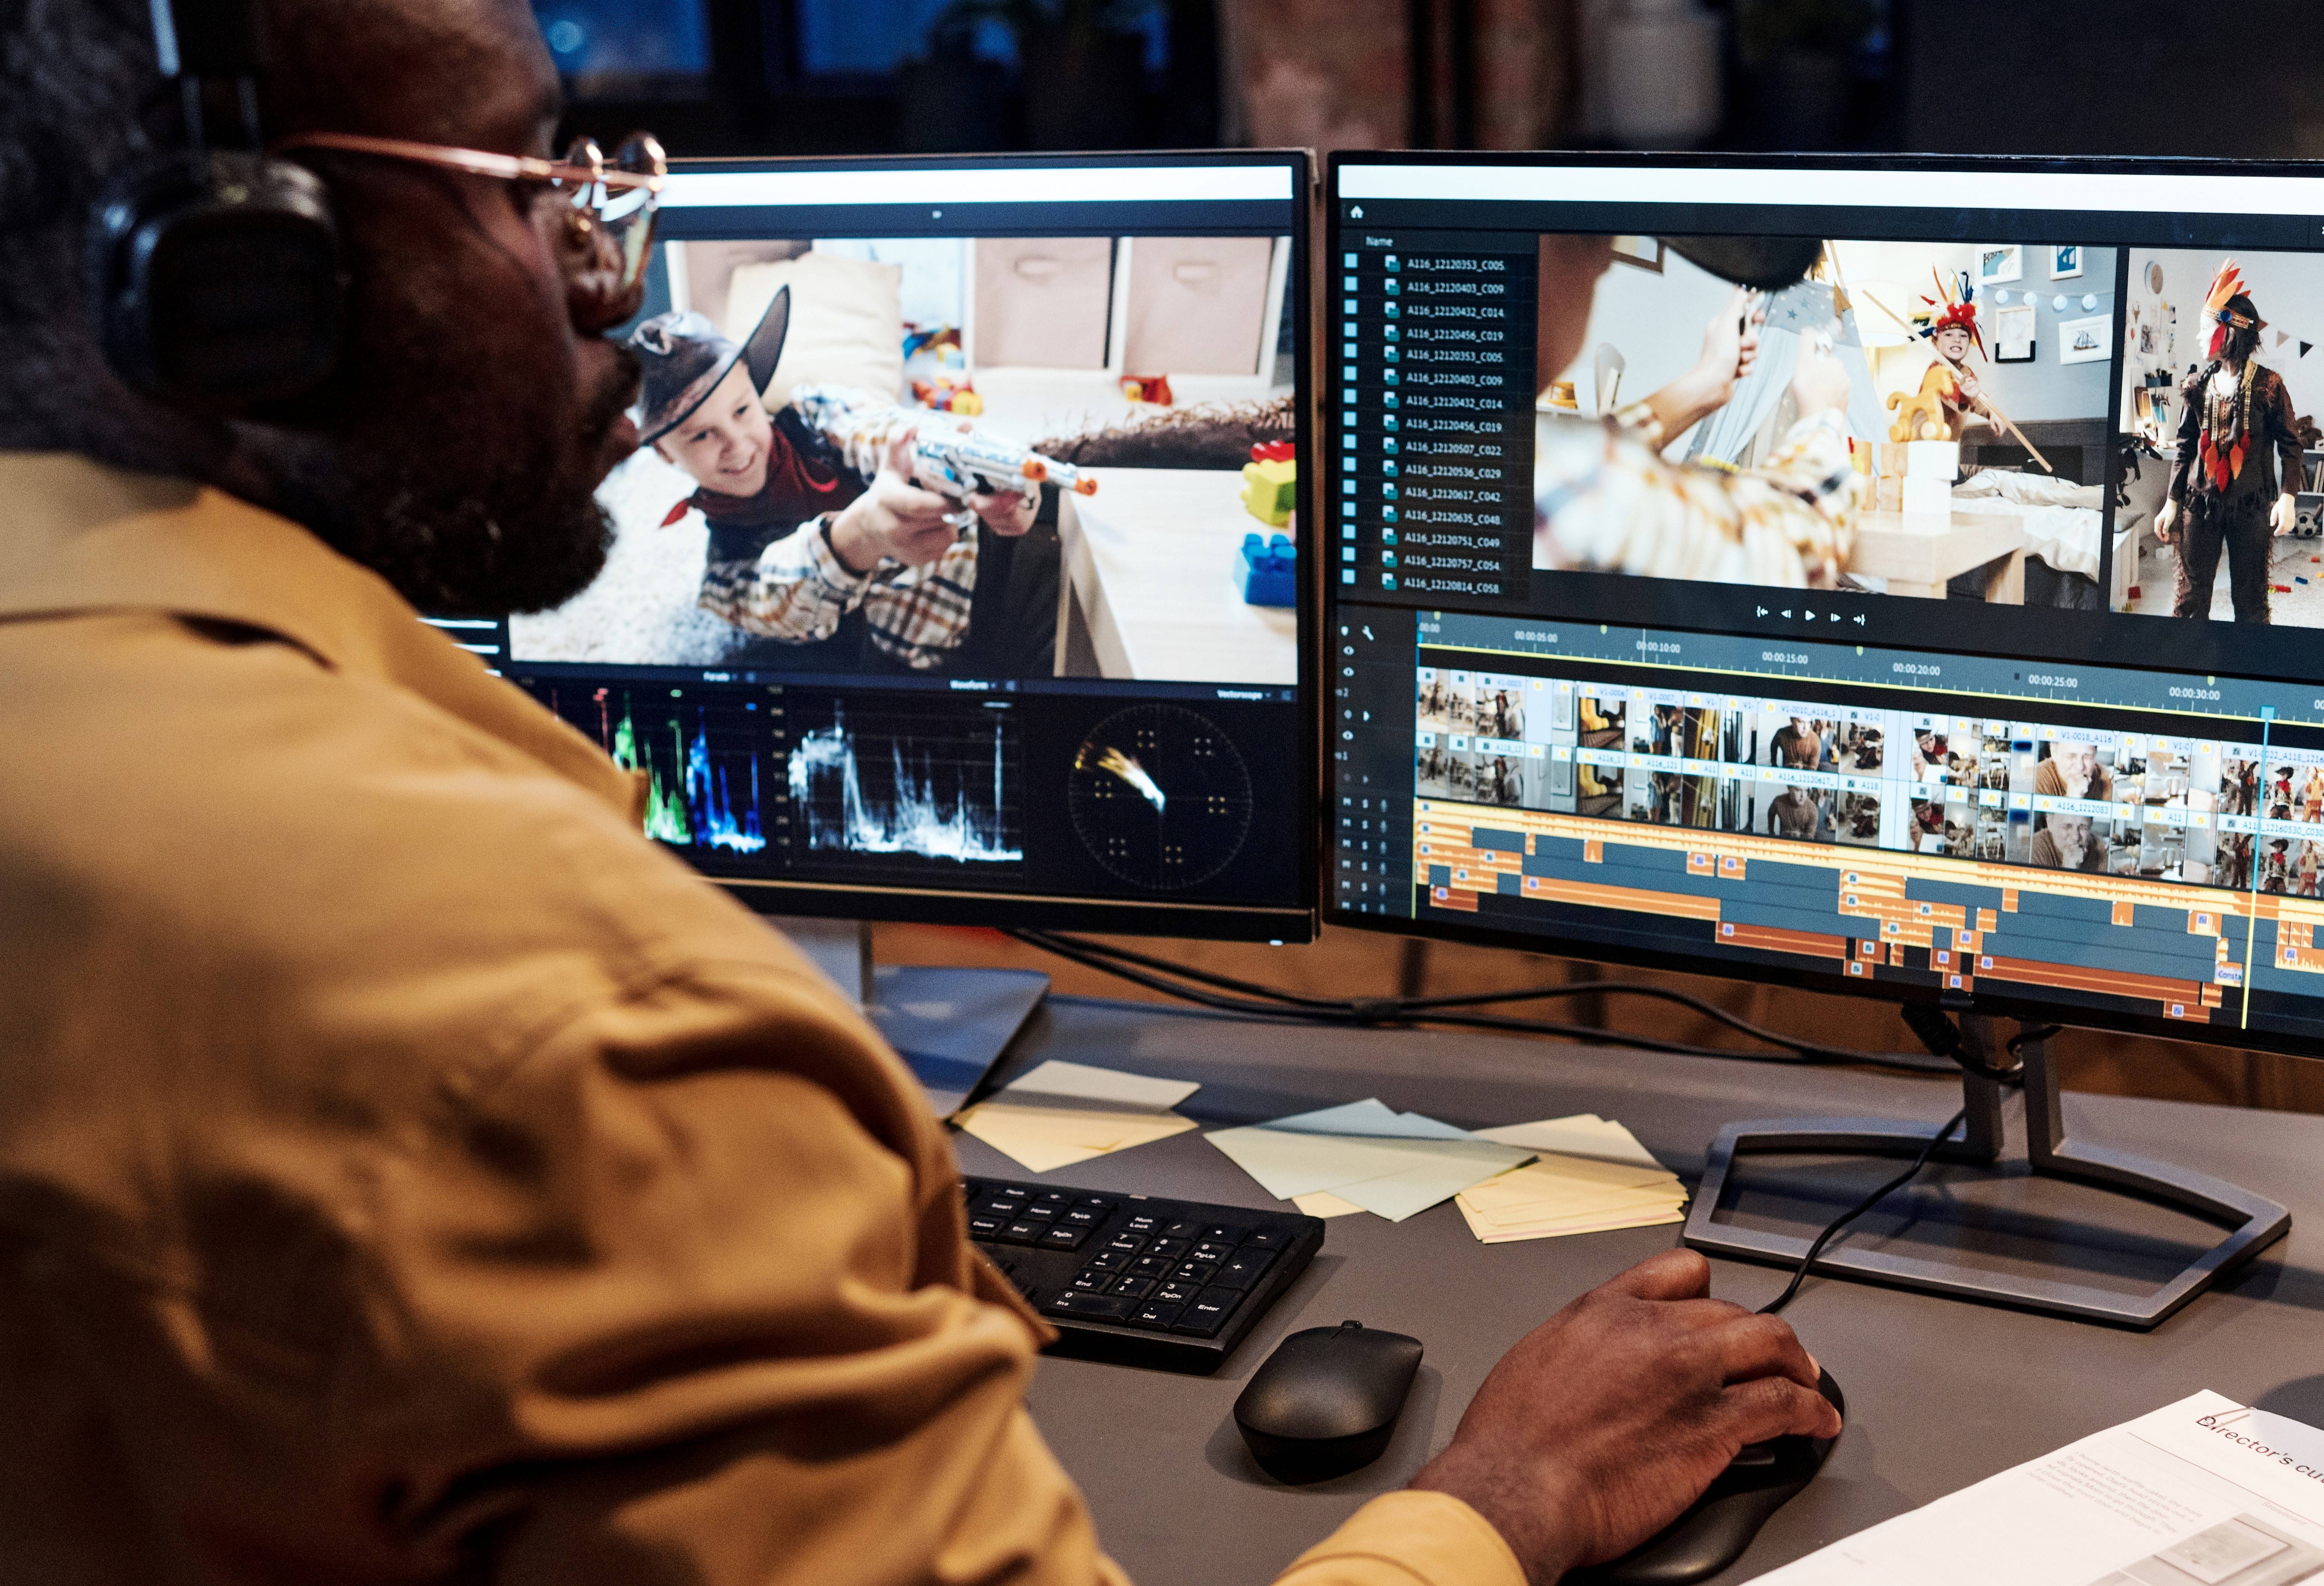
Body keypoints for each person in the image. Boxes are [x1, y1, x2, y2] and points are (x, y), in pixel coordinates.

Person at [0, 3, 1839, 1580]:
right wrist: (1512, 1493)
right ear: (241, 280)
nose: (599, 262)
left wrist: (1155, 450)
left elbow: (1054, 448)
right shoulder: (564, 1014)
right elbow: (734, 625)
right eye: (525, 177)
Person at [627, 300, 1053, 675]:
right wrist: (862, 533)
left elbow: (879, 431)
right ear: (666, 456)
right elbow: (785, 599)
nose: (736, 445)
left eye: (741, 410)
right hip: (966, 651)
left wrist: (953, 459)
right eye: (701, 437)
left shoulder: (815, 415)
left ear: (756, 392)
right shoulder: (725, 577)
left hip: (999, 545)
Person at [1532, 235, 1863, 590]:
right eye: (1591, 241)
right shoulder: (1587, 487)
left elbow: (1583, 455)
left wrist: (1706, 383)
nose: (1604, 261)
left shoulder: (1514, 458)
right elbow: (1790, 550)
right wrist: (1821, 416)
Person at [2156, 261, 2304, 623]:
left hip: (2251, 508)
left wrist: (2287, 498)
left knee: (2251, 602)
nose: (2197, 337)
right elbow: (2185, 447)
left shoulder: (2268, 385)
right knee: (2190, 601)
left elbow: (2291, 445)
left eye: (2205, 328)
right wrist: (2171, 503)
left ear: (2230, 331)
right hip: (2199, 505)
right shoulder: (2196, 386)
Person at [2032, 741, 2114, 802]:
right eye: (2071, 757)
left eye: (2087, 757)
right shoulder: (2034, 781)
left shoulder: (2108, 781)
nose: (2080, 767)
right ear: (2054, 752)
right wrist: (2071, 801)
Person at [2030, 813, 2109, 872]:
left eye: (2083, 827)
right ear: (2050, 823)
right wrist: (2067, 870)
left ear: (2091, 824)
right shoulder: (2032, 848)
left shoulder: (2102, 850)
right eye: (2067, 827)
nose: (2076, 837)